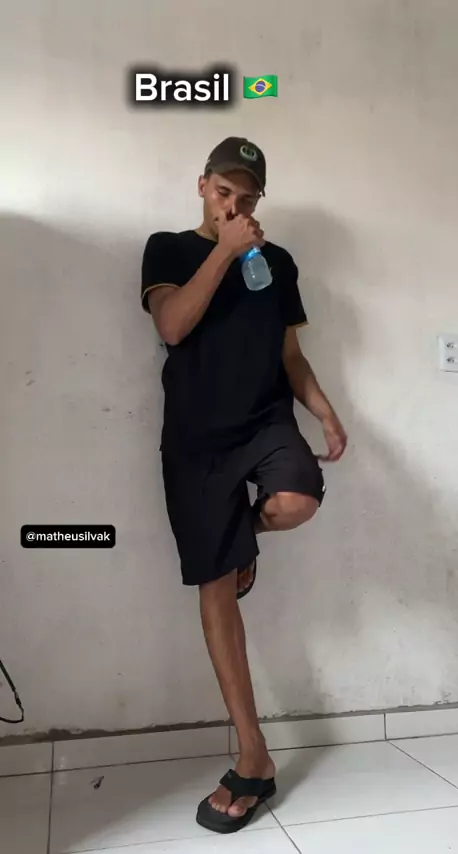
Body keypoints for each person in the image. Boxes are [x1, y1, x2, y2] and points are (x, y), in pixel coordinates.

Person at [141, 136, 347, 834]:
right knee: (216, 588)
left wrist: (325, 412)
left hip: (264, 421)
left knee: (298, 500)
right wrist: (224, 251)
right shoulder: (168, 248)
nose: (235, 206)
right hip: (196, 438)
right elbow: (173, 326)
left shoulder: (276, 262)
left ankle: (243, 536)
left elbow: (290, 352)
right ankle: (254, 756)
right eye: (224, 192)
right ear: (203, 186)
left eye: (248, 197)